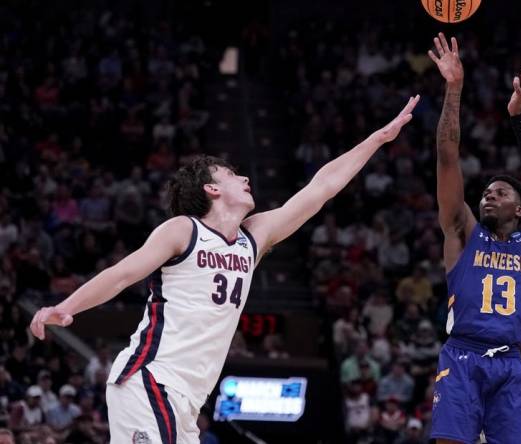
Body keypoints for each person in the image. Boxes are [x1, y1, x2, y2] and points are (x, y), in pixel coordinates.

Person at [29, 95, 420, 444]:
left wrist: (378, 139)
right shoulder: (184, 230)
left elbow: (322, 188)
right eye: (232, 175)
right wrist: (68, 307)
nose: (246, 177)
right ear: (211, 190)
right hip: (150, 380)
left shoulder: (254, 238)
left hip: (187, 400)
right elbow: (122, 273)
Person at [427, 33, 521, 444]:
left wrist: (518, 117)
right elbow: (447, 155)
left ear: (519, 210)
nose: (488, 195)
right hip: (462, 355)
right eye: (486, 192)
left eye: (500, 193)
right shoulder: (463, 232)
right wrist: (454, 88)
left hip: (509, 364)